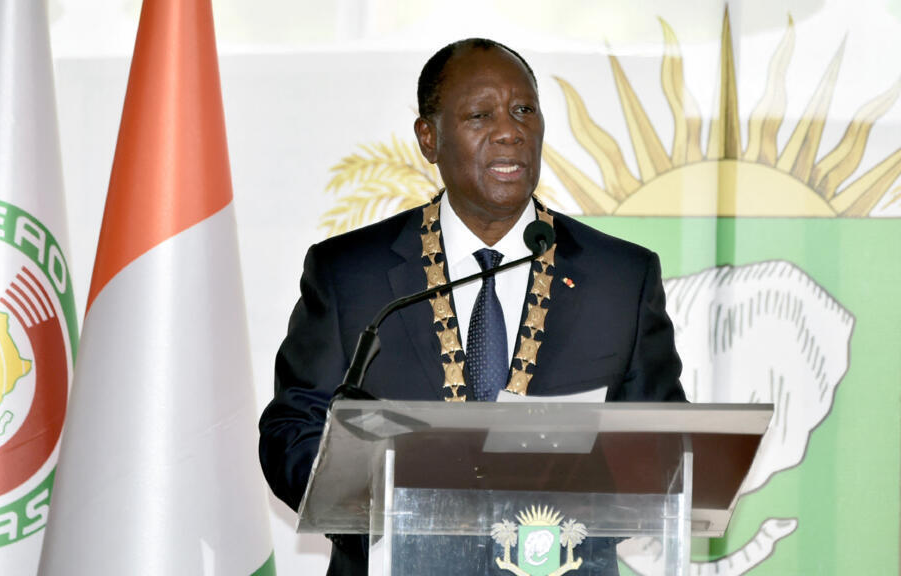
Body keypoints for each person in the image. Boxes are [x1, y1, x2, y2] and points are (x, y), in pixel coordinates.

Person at [259, 38, 685, 576]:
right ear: (429, 138)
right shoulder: (350, 275)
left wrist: (569, 519)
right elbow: (294, 432)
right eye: (480, 115)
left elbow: (660, 447)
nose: (509, 131)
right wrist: (388, 517)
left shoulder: (619, 277)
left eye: (524, 110)